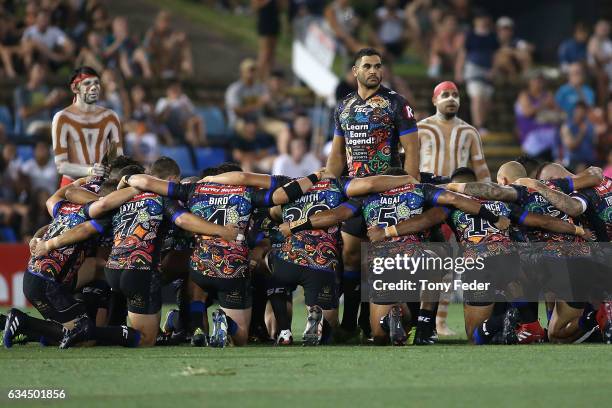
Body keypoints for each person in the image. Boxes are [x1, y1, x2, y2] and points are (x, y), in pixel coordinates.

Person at [125, 165, 326, 346]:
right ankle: (227, 325)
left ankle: (196, 328)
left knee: (194, 277)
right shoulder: (246, 193)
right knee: (240, 337)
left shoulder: (193, 190)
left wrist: (126, 178)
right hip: (233, 270)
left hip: (201, 266)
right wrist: (316, 176)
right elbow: (282, 195)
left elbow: (145, 182)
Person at [326, 47, 419, 339]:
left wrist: (411, 184)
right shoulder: (343, 107)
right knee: (351, 254)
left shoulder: (397, 104)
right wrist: (328, 182)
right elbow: (337, 155)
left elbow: (413, 150)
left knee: (383, 255)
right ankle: (350, 322)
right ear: (355, 71)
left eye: (378, 66)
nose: (374, 71)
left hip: (387, 191)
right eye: (367, 66)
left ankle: (383, 320)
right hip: (354, 191)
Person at [3, 178, 143, 349]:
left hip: (34, 277)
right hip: (49, 283)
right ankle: (23, 321)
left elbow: (49, 219)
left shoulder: (67, 208)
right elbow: (84, 229)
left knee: (67, 332)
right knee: (84, 336)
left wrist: (35, 238)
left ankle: (19, 325)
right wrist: (139, 188)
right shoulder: (99, 215)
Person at [51, 66, 123, 187]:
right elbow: (61, 166)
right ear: (75, 88)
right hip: (72, 185)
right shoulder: (62, 118)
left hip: (103, 184)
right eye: (87, 83)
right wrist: (90, 170)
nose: (94, 87)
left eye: (96, 83)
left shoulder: (111, 117)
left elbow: (119, 158)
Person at [418, 81, 491, 181]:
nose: (451, 99)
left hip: (458, 190)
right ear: (434, 100)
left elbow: (481, 170)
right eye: (445, 95)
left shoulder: (470, 132)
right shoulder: (420, 129)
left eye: (455, 95)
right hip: (428, 190)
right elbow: (406, 162)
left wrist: (486, 191)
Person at [455, 12, 498, 133]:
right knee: (476, 97)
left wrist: (494, 70)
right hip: (473, 68)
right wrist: (459, 71)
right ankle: (478, 126)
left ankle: (482, 124)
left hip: (488, 70)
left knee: (487, 100)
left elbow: (495, 55)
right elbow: (463, 54)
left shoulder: (492, 37)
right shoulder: (470, 36)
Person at [514, 74, 560, 161]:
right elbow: (527, 113)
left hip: (548, 130)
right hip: (530, 133)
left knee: (557, 134)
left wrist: (552, 105)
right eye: (535, 80)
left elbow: (558, 112)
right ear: (529, 82)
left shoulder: (547, 95)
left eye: (540, 81)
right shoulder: (524, 95)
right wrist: (543, 104)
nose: (538, 83)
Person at [14, 63, 65, 137]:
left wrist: (56, 101)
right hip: (31, 126)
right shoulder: (22, 91)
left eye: (43, 72)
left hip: (47, 123)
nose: (42, 74)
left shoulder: (45, 90)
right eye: (39, 71)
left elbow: (50, 109)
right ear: (30, 73)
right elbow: (24, 113)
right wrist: (45, 105)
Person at [493, 16, 534, 81]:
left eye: (508, 29)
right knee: (502, 57)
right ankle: (512, 78)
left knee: (524, 55)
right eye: (503, 29)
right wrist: (513, 52)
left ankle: (526, 77)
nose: (506, 32)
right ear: (497, 30)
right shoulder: (492, 40)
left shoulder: (515, 41)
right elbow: (499, 52)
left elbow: (530, 47)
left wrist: (518, 52)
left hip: (513, 66)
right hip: (494, 67)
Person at [559, 101, 596, 169]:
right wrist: (581, 133)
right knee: (581, 168)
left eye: (583, 112)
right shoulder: (566, 127)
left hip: (590, 161)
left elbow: (594, 142)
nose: (580, 114)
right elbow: (571, 146)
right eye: (578, 111)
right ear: (574, 111)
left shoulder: (590, 126)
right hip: (573, 162)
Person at [254, 0, 281, 80]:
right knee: (264, 53)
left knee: (272, 54)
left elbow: (282, 7)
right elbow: (255, 6)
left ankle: (268, 78)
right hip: (264, 19)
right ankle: (259, 77)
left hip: (274, 20)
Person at [587, 19, 612, 104]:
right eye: (602, 28)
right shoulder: (594, 40)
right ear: (596, 29)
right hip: (600, 74)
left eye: (606, 28)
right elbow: (599, 58)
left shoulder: (608, 41)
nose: (604, 30)